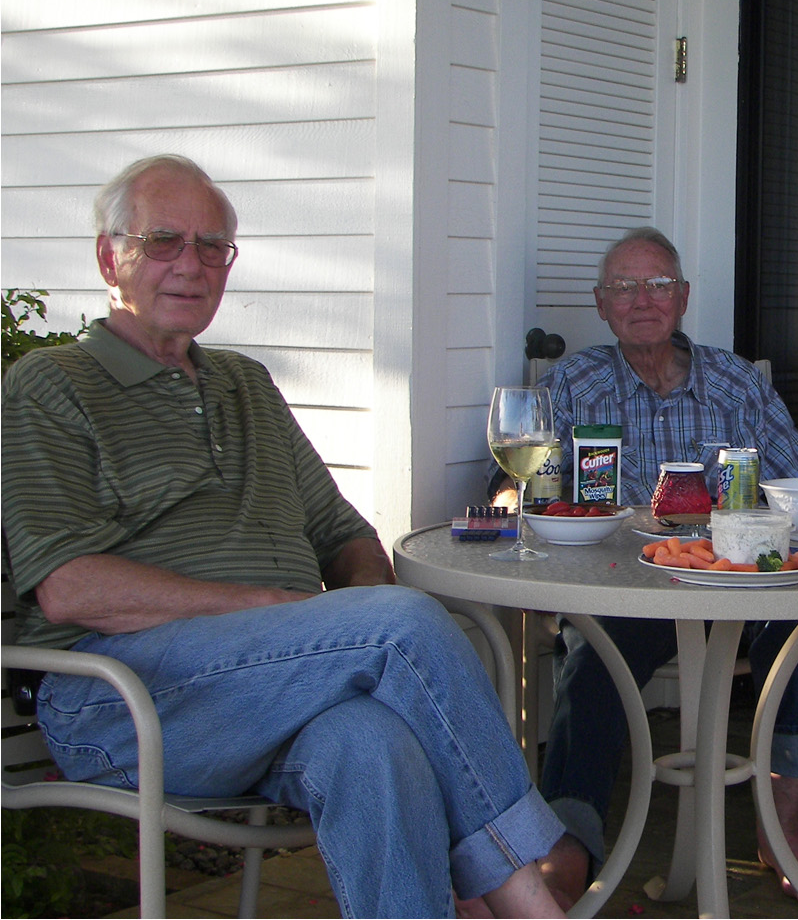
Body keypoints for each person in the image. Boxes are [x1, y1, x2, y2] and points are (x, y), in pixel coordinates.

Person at [1, 155, 565, 919]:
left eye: (212, 248)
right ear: (111, 256)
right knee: (403, 625)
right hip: (120, 703)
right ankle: (528, 892)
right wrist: (277, 610)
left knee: (371, 742)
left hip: (268, 690)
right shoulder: (51, 384)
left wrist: (352, 607)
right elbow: (68, 585)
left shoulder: (246, 385)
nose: (190, 265)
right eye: (164, 240)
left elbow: (343, 533)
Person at [527, 227, 798, 907]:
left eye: (659, 284)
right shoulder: (573, 384)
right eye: (624, 287)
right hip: (627, 585)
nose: (643, 300)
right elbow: (533, 488)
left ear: (685, 297)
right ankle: (569, 850)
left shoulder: (734, 382)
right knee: (592, 661)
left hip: (733, 575)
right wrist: (516, 495)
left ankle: (779, 820)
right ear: (601, 305)